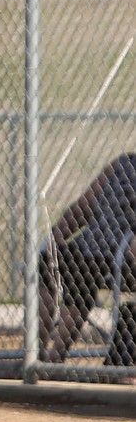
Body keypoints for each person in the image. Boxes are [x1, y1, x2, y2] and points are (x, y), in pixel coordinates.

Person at [39, 152, 136, 364]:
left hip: (121, 255)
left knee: (84, 268)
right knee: (50, 260)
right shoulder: (123, 164)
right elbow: (83, 206)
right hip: (90, 246)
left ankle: (55, 356)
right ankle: (37, 352)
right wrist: (52, 240)